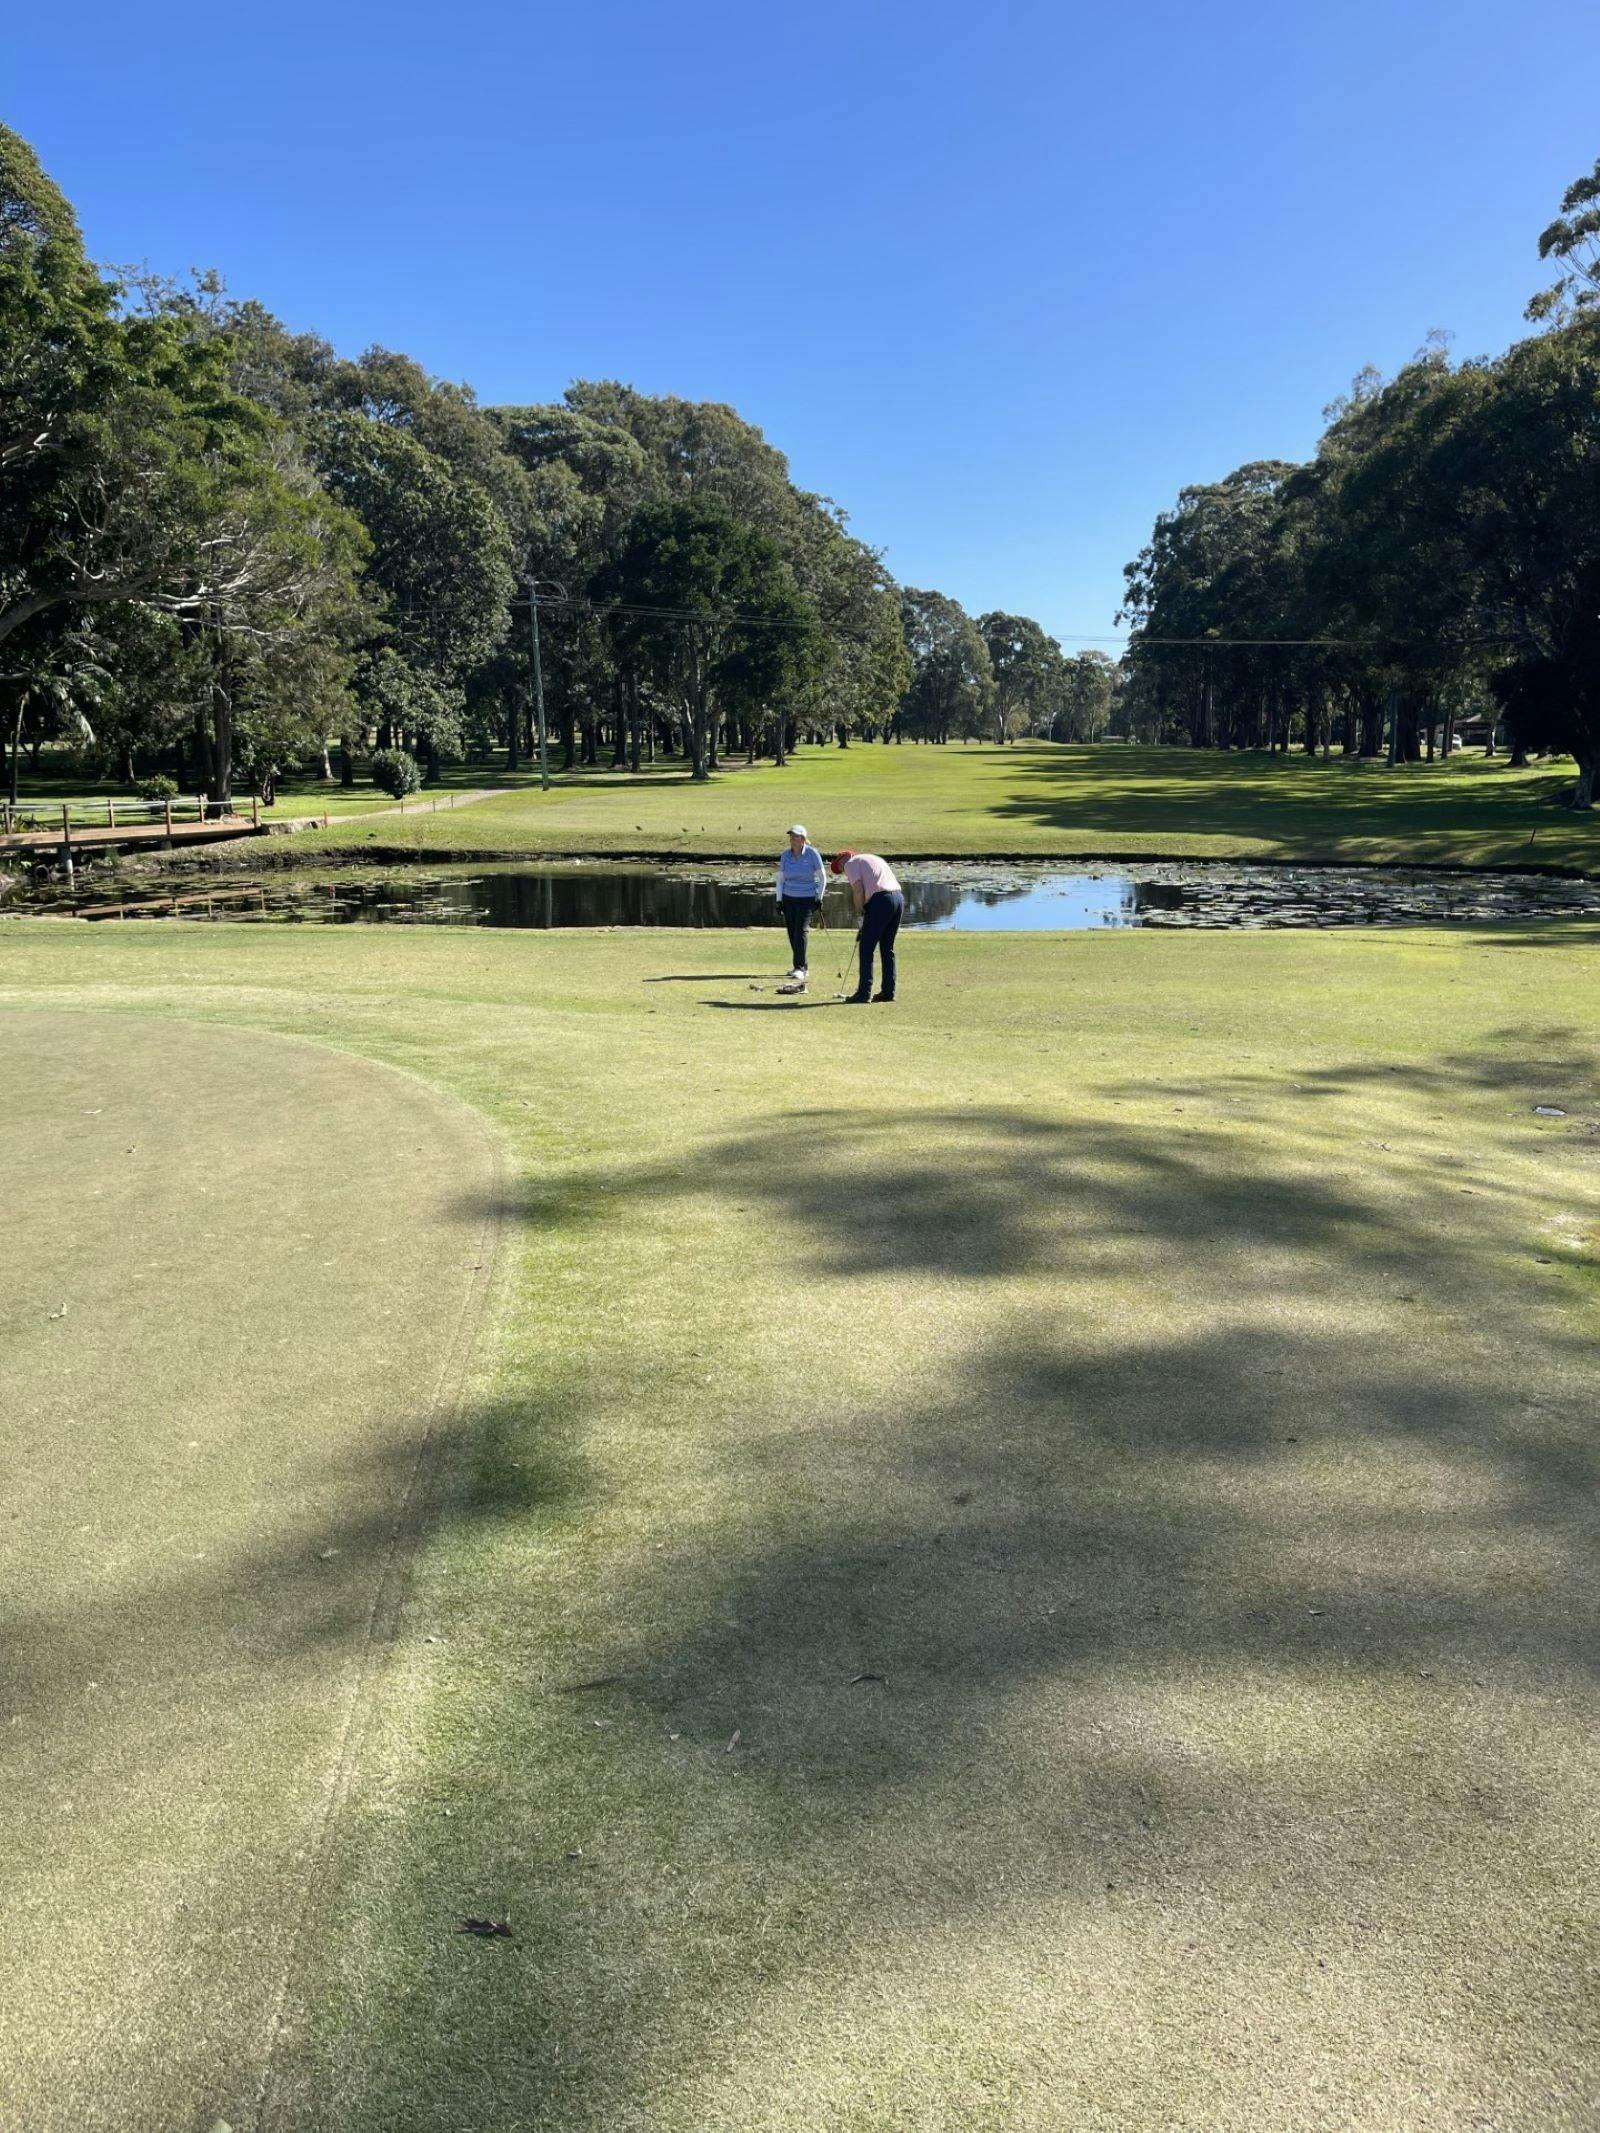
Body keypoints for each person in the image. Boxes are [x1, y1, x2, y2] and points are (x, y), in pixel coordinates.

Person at [831, 848, 903, 1003]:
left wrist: (861, 913)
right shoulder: (872, 858)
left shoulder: (851, 863)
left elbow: (858, 891)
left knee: (866, 947)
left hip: (881, 900)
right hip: (898, 899)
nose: (843, 870)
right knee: (887, 947)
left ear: (845, 858)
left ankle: (864, 993)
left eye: (840, 866)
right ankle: (888, 992)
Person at [773, 824, 827, 987]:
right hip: (789, 898)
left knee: (800, 931)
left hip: (807, 898)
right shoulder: (785, 855)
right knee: (792, 932)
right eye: (791, 836)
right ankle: (803, 965)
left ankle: (799, 968)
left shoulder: (812, 854)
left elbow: (822, 877)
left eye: (795, 837)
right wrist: (779, 900)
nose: (792, 839)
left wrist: (819, 897)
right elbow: (780, 879)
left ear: (803, 839)